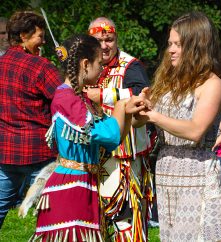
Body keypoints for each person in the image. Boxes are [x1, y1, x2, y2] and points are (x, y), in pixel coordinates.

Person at [30, 34, 148, 241]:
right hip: (70, 190)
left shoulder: (78, 98)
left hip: (82, 184)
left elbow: (113, 137)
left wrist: (128, 112)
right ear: (85, 64)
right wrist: (121, 106)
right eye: (98, 64)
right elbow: (110, 135)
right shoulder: (67, 98)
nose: (102, 69)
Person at [133, 11, 221, 241]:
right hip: (167, 171)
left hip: (197, 174)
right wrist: (137, 109)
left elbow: (195, 130)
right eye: (170, 44)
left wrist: (154, 115)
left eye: (178, 44)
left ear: (197, 45)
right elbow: (143, 120)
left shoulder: (213, 84)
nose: (171, 50)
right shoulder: (168, 82)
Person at [87, 17, 153, 241]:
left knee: (125, 219)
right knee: (96, 218)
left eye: (109, 40)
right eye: (98, 40)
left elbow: (142, 94)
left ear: (117, 39)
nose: (104, 46)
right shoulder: (86, 64)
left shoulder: (130, 65)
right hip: (94, 157)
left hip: (124, 159)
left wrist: (103, 95)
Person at [0, 10, 63, 228]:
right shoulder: (41, 66)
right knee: (50, 214)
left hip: (6, 153)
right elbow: (66, 98)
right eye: (40, 36)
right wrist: (68, 67)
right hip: (40, 153)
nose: (44, 41)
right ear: (24, 36)